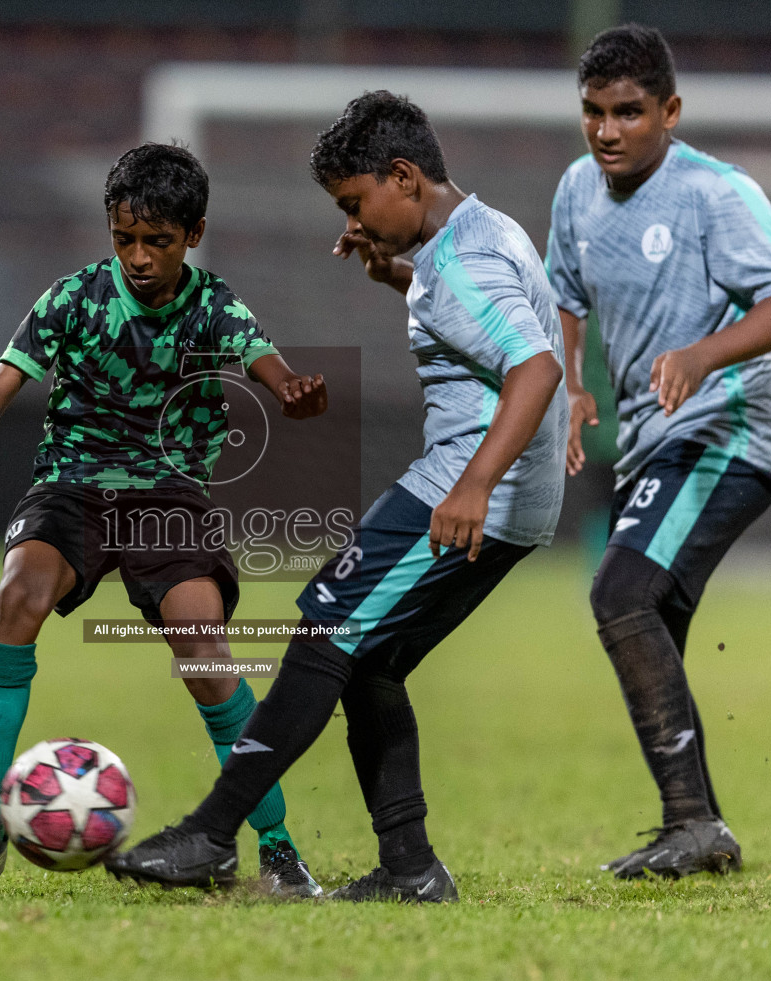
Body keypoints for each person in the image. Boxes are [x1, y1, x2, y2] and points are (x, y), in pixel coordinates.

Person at [106, 91, 568, 902]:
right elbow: (484, 325)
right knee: (371, 663)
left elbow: (537, 368)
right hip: (512, 501)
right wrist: (396, 271)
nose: (352, 222)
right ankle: (412, 871)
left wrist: (473, 484)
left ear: (404, 177)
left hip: (469, 492)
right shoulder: (478, 234)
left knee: (323, 621)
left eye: (357, 203)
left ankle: (210, 835)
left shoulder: (463, 262)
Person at [0, 143, 329, 896]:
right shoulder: (71, 299)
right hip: (72, 485)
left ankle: (273, 844)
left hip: (169, 496)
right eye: (124, 240)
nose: (138, 258)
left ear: (194, 234)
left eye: (158, 242)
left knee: (206, 651)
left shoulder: (215, 305)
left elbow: (273, 371)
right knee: (17, 597)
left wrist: (295, 392)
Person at [548, 25, 771, 878]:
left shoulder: (715, 193)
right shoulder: (575, 192)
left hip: (730, 430)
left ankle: (694, 823)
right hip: (652, 440)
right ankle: (696, 828)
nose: (607, 130)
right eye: (593, 112)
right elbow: (562, 294)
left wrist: (704, 354)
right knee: (647, 618)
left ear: (669, 111)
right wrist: (571, 386)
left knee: (620, 592)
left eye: (628, 112)